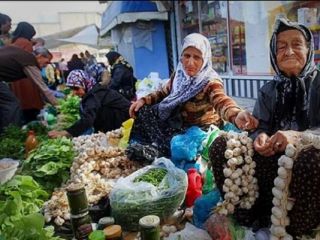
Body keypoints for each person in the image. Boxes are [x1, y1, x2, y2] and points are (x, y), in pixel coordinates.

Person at [209, 17, 320, 238]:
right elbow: (259, 127)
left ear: (309, 50)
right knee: (222, 144)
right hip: (273, 164)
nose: (288, 52)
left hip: (307, 168)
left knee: (312, 159)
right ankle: (249, 215)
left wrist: (298, 137)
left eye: (296, 44)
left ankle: (296, 229)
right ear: (274, 54)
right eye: (281, 47)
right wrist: (259, 137)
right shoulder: (269, 90)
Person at [128, 33, 258, 159]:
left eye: (196, 57)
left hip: (199, 129)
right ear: (181, 57)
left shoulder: (210, 81)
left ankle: (160, 148)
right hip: (179, 123)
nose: (190, 62)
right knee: (144, 111)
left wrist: (236, 115)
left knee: (177, 143)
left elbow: (221, 101)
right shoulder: (179, 75)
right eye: (187, 56)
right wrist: (144, 100)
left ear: (205, 59)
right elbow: (163, 92)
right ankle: (152, 145)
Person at [48, 68, 130, 138]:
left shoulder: (94, 95)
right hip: (118, 124)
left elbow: (87, 119)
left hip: (126, 125)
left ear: (85, 83)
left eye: (76, 88)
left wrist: (65, 133)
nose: (74, 92)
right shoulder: (93, 90)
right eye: (71, 89)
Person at [0, 46, 57, 133]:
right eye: (46, 62)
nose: (46, 66)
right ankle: (11, 133)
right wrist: (58, 105)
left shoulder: (24, 55)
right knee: (12, 104)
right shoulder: (30, 62)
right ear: (40, 56)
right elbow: (43, 88)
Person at [10, 21, 46, 124]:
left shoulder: (14, 42)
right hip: (26, 78)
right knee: (31, 103)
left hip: (16, 79)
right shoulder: (26, 43)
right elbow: (29, 63)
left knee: (23, 104)